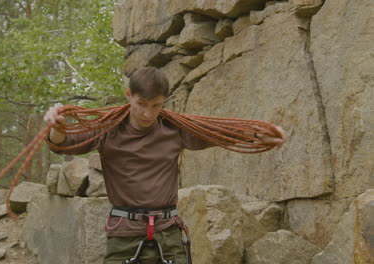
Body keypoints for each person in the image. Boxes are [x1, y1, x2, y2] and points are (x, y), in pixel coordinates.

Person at [43, 67, 286, 264]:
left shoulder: (174, 129)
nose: (148, 113)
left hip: (168, 233)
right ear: (129, 95)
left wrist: (257, 136)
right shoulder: (108, 129)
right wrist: (57, 126)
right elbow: (62, 144)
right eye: (141, 103)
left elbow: (218, 133)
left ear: (164, 101)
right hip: (124, 233)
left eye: (156, 105)